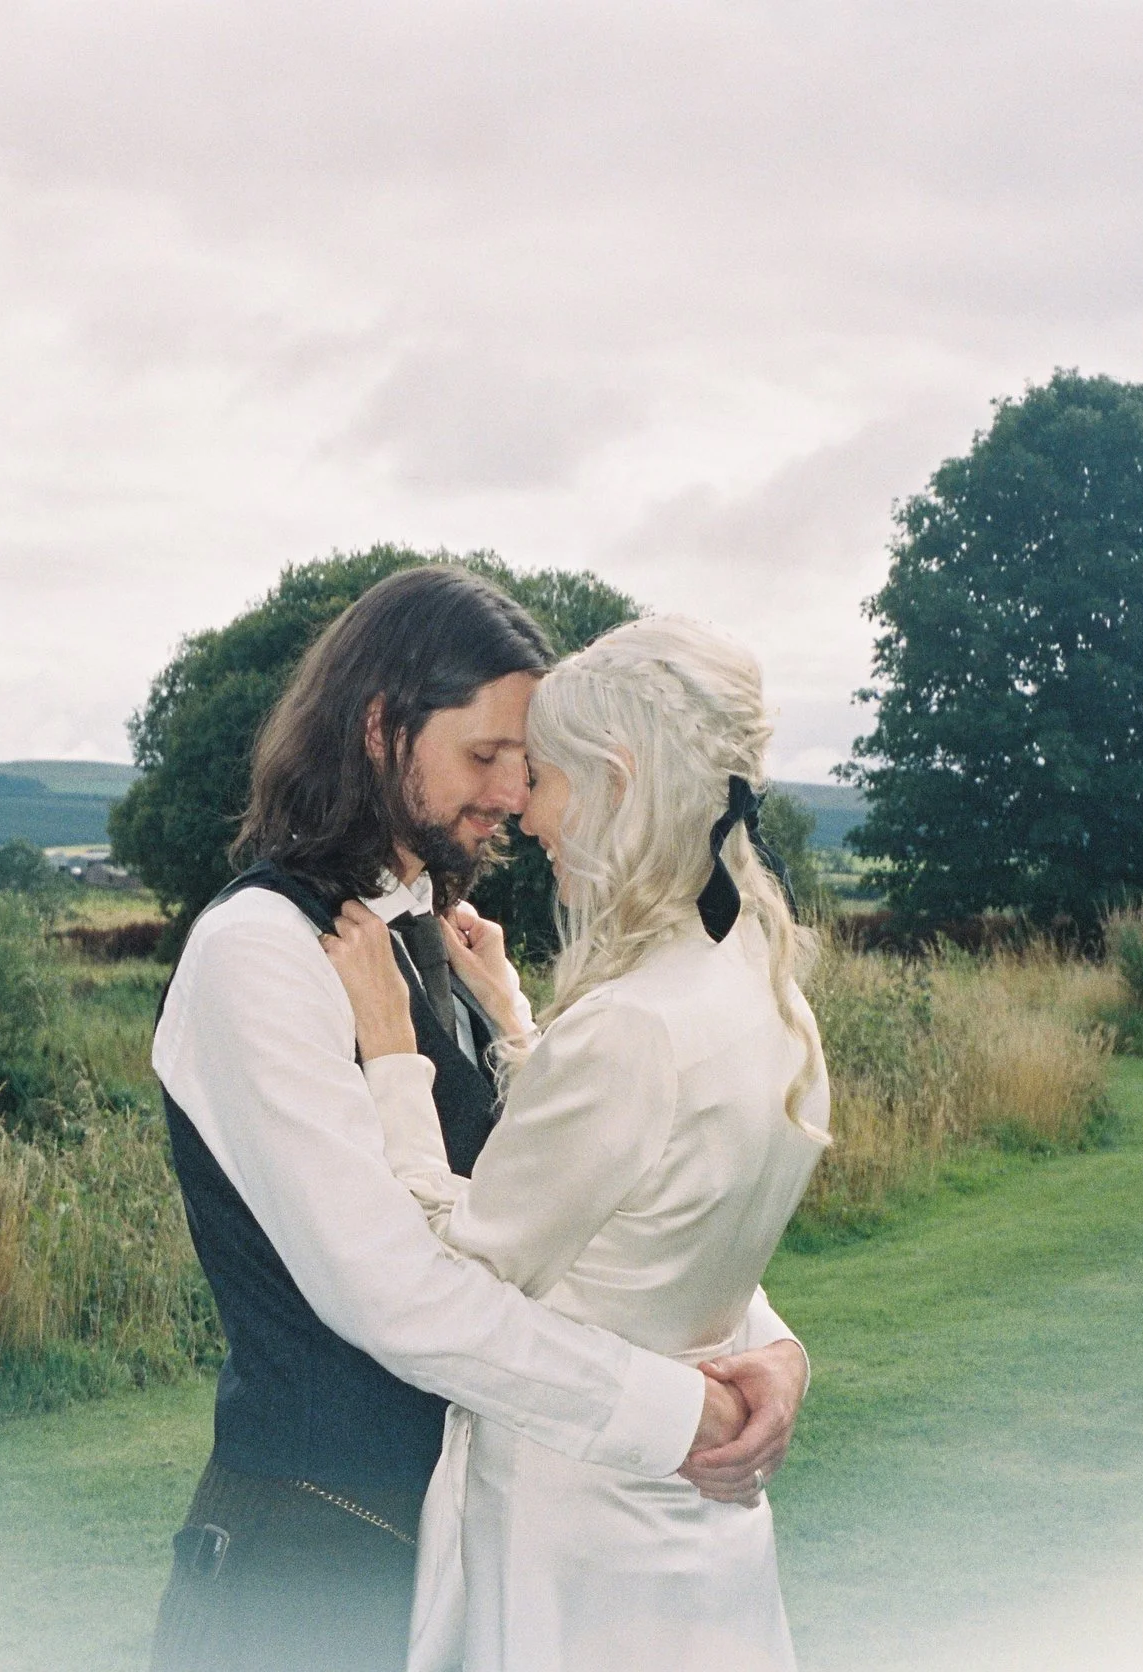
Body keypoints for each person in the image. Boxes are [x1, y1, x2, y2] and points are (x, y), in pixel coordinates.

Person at [148, 567, 810, 1672]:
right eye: (484, 755)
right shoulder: (258, 954)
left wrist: (762, 1344)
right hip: (319, 1561)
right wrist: (672, 1414)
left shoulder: (434, 936)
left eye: (529, 759)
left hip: (476, 1544)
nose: (514, 793)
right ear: (379, 728)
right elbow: (394, 1292)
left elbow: (595, 1197)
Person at [320, 615, 831, 1672]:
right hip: (701, 1526)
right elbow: (651, 1198)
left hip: (580, 1525)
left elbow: (449, 1266)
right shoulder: (765, 990)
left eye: (545, 780)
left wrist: (390, 1054)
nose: (525, 811)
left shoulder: (631, 1027)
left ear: (617, 779)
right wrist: (514, 1017)